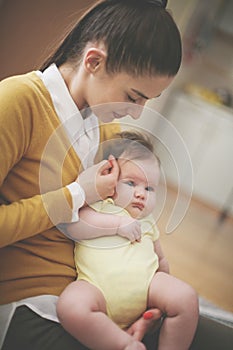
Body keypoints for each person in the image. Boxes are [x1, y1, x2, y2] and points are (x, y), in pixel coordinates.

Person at [0, 0, 183, 349]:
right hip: (34, 305)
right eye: (134, 96)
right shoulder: (19, 102)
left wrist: (142, 303)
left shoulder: (106, 131)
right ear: (94, 61)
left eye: (148, 101)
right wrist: (76, 195)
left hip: (99, 305)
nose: (138, 114)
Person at [57, 131, 199, 350]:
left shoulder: (148, 223)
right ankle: (123, 345)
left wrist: (162, 298)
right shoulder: (99, 207)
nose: (141, 194)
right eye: (131, 183)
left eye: (149, 188)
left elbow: (161, 260)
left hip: (147, 287)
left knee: (186, 297)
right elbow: (74, 226)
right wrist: (117, 224)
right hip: (97, 289)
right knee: (70, 307)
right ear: (109, 179)